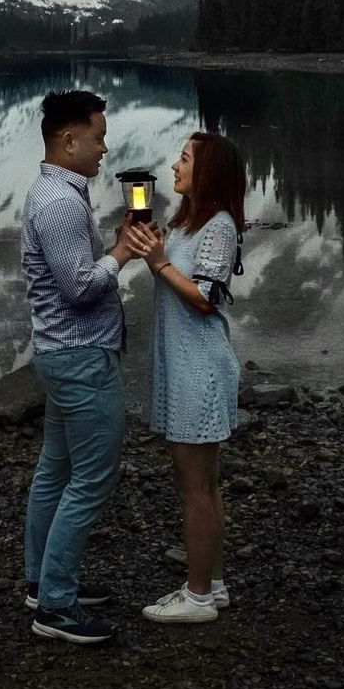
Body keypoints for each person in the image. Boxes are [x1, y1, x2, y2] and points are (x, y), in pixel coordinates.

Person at [21, 88, 138, 645]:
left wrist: (112, 248)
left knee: (55, 471)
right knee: (91, 478)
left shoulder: (52, 191)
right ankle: (56, 606)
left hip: (58, 353)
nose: (104, 148)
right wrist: (122, 253)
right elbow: (79, 288)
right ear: (68, 140)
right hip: (80, 357)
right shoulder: (61, 201)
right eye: (97, 137)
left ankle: (40, 581)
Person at [126, 131, 246, 624]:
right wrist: (147, 244)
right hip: (186, 367)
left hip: (200, 370)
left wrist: (158, 261)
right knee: (205, 484)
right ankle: (213, 586)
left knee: (195, 487)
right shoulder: (189, 223)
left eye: (184, 159)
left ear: (209, 171)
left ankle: (196, 598)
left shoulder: (218, 226)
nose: (174, 167)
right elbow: (174, 271)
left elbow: (204, 297)